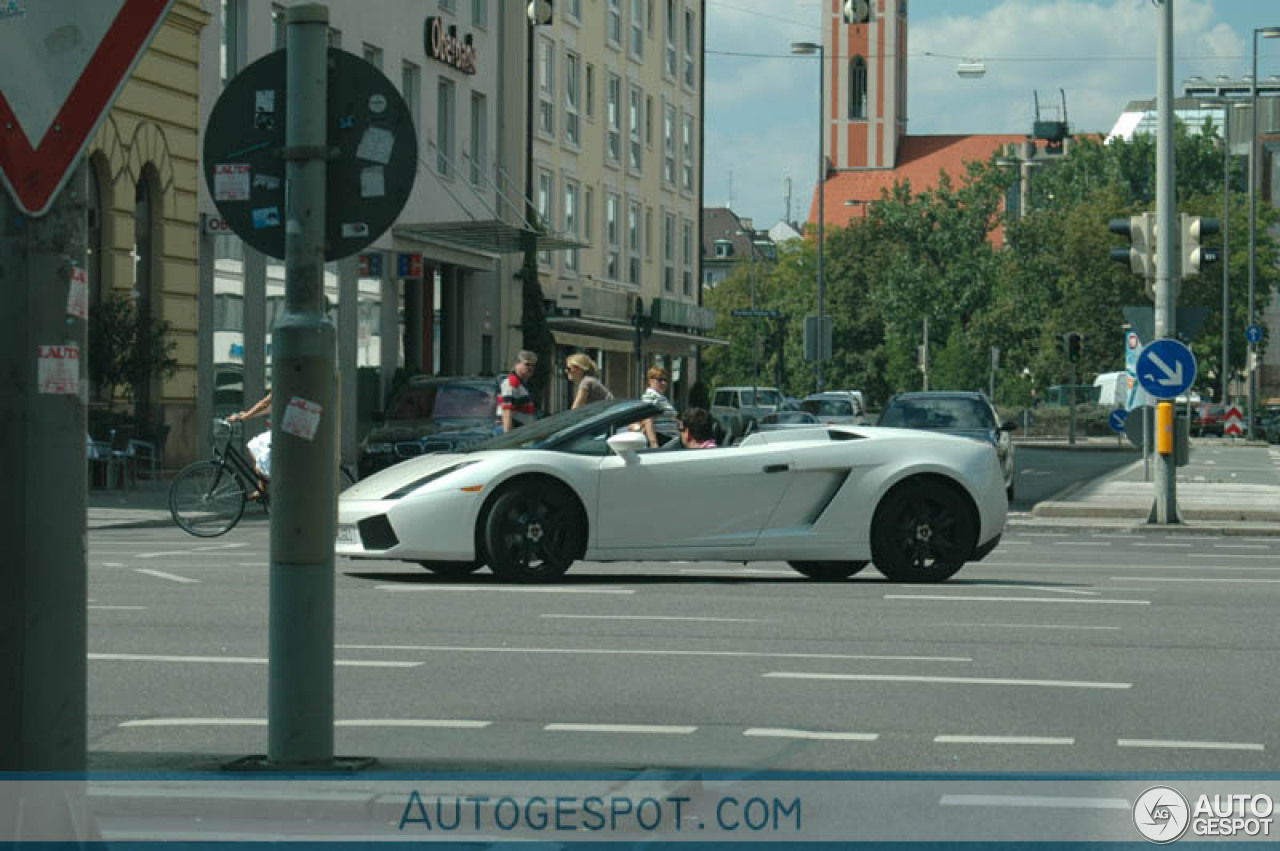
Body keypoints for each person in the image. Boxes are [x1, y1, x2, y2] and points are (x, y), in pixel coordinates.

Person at [228, 392, 272, 498]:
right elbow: (267, 408)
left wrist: (245, 416)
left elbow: (264, 404)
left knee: (255, 446)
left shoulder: (280, 385)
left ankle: (263, 486)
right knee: (255, 447)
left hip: (283, 433)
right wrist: (246, 415)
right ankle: (262, 486)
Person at [498, 350, 538, 433]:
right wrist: (508, 439)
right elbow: (507, 412)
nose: (530, 368)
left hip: (520, 432)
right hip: (514, 434)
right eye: (527, 364)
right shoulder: (512, 383)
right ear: (517, 364)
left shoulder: (521, 384)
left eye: (533, 365)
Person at [638, 366, 677, 446]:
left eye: (665, 380)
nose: (663, 383)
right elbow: (648, 420)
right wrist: (654, 444)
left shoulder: (661, 397)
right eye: (660, 380)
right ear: (650, 380)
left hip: (670, 438)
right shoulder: (650, 396)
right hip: (661, 439)